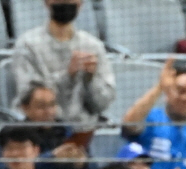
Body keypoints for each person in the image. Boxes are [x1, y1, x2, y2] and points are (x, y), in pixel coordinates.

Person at [10, 0, 112, 133]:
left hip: (82, 134)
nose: (66, 2)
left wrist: (90, 80)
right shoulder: (27, 45)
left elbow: (102, 104)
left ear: (81, 3)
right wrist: (68, 76)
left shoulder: (93, 46)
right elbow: (31, 99)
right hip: (40, 132)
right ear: (46, 2)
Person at [8, 83, 97, 169]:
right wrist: (52, 159)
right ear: (25, 108)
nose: (48, 112)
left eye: (52, 105)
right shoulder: (13, 135)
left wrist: (83, 165)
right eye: (41, 106)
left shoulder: (67, 131)